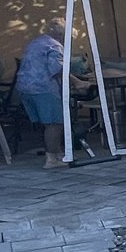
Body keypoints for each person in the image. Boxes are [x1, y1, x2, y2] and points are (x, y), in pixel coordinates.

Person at [13, 18, 90, 168]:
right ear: (63, 35)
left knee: (48, 123)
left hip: (24, 87)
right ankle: (51, 160)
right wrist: (78, 82)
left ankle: (58, 153)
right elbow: (58, 69)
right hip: (42, 88)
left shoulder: (36, 42)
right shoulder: (55, 46)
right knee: (55, 123)